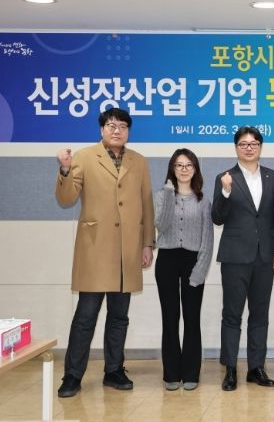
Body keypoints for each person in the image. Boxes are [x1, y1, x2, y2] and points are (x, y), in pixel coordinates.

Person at [55, 107, 154, 398]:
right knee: (85, 316)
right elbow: (66, 197)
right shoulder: (84, 157)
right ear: (102, 129)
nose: (117, 130)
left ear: (128, 131)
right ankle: (72, 375)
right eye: (111, 125)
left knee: (119, 315)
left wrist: (147, 243)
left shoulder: (139, 161)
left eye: (122, 126)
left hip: (127, 250)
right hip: (95, 249)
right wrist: (64, 169)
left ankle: (114, 370)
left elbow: (146, 204)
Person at [212, 126, 274, 391]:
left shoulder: (273, 177)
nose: (249, 148)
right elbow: (217, 217)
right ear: (236, 148)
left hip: (264, 256)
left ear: (260, 147)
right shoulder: (225, 177)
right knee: (232, 314)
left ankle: (256, 368)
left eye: (254, 143)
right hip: (235, 256)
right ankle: (230, 369)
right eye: (243, 144)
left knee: (259, 314)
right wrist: (226, 192)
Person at [154, 148, 214, 391]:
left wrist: (200, 271)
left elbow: (207, 239)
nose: (184, 169)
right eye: (179, 165)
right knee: (169, 318)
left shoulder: (203, 200)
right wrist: (170, 193)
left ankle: (191, 373)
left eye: (189, 165)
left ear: (195, 169)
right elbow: (162, 225)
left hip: (193, 261)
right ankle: (171, 374)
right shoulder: (162, 195)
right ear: (172, 169)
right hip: (167, 260)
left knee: (191, 318)